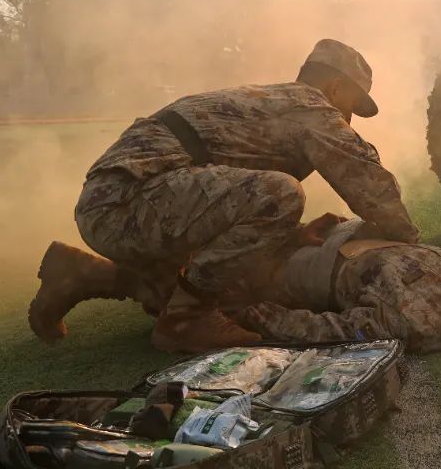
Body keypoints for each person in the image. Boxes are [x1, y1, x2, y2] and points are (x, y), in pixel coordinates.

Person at [29, 39, 418, 353]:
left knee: (225, 273)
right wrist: (406, 237)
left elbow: (217, 202)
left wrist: (290, 236)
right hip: (127, 203)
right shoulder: (311, 107)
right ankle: (186, 320)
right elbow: (368, 181)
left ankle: (80, 274)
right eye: (351, 106)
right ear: (336, 88)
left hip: (121, 203)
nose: (348, 120)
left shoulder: (272, 101)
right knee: (281, 195)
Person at [30, 217, 441, 354]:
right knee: (209, 233)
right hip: (330, 234)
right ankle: (82, 271)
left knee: (191, 283)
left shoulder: (418, 322)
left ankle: (82, 275)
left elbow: (322, 328)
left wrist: (246, 316)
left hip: (305, 271)